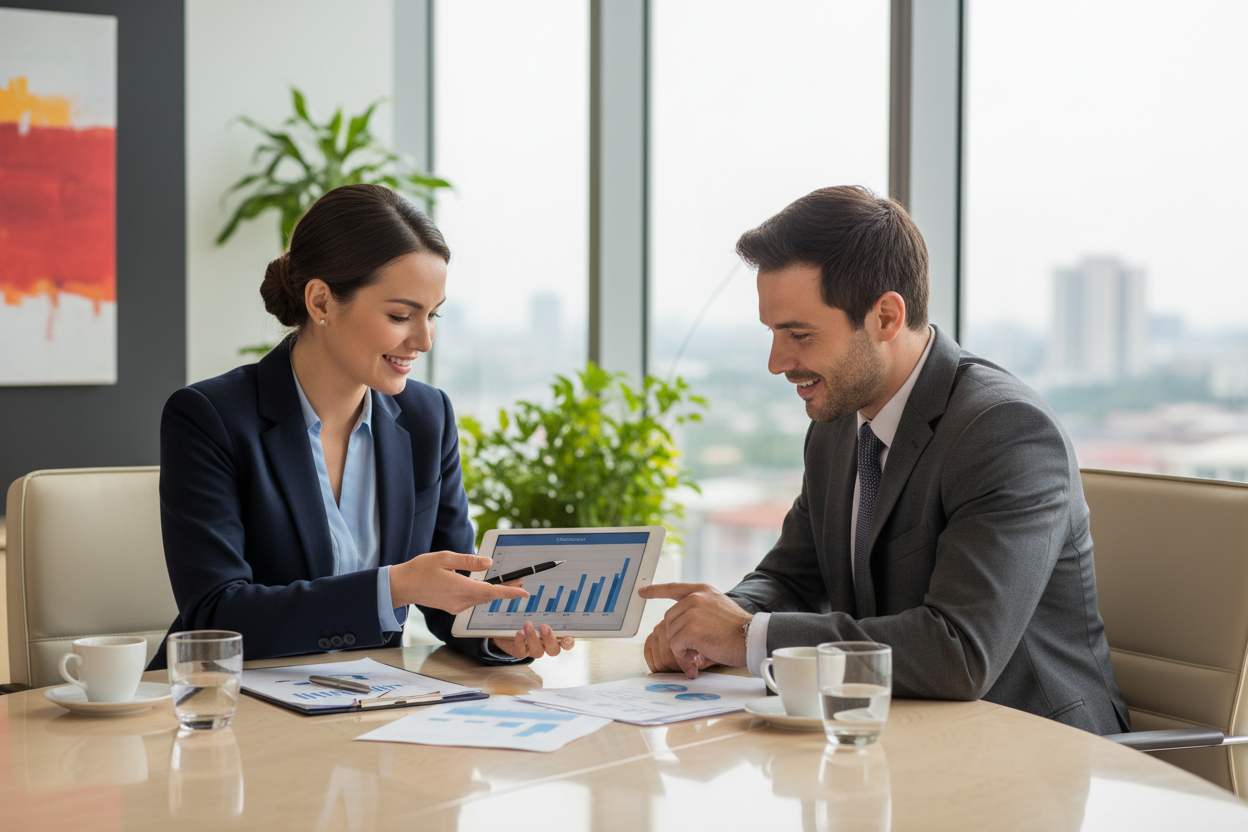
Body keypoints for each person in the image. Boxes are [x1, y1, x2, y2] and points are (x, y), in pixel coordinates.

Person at [639, 186, 1129, 735]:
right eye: (773, 332)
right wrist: (707, 626)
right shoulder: (837, 426)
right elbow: (792, 578)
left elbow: (959, 650)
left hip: (1036, 747)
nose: (777, 362)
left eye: (799, 334)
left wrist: (748, 636)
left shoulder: (1004, 431)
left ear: (886, 317)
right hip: (899, 736)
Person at [151, 184, 571, 669]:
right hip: (226, 697)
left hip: (369, 696)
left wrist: (495, 636)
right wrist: (393, 587)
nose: (424, 340)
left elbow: (448, 592)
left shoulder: (428, 417)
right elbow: (214, 616)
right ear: (321, 302)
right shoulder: (209, 418)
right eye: (401, 315)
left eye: (433, 314)